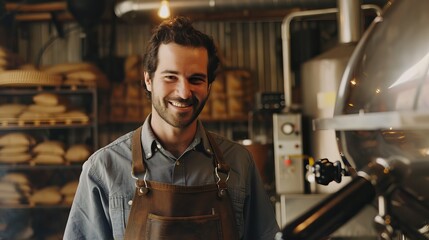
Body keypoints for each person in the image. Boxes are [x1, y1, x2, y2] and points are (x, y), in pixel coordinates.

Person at [64, 16, 279, 240]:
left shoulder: (239, 163)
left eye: (196, 79)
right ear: (148, 79)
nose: (184, 92)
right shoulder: (104, 169)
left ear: (208, 85)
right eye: (170, 77)